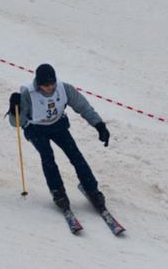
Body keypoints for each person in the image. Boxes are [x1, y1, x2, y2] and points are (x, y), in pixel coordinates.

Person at [8, 63, 110, 211]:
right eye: (45, 84)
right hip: (36, 129)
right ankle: (58, 192)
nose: (50, 87)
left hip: (57, 125)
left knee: (75, 155)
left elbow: (83, 107)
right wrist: (14, 109)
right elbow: (16, 123)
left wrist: (99, 125)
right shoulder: (28, 95)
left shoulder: (64, 89)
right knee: (47, 156)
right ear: (38, 83)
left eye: (52, 83)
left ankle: (92, 189)